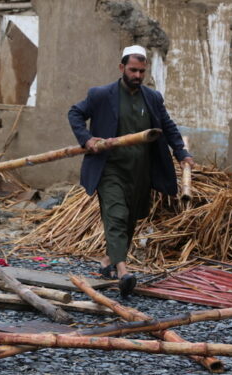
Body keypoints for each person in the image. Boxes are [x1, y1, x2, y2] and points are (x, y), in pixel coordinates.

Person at [67, 45, 194, 298]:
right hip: (110, 168)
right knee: (116, 215)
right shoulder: (101, 95)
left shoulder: (152, 98)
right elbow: (75, 113)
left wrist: (182, 154)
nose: (137, 75)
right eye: (133, 70)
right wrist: (87, 139)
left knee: (130, 219)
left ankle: (107, 263)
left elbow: (167, 127)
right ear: (121, 67)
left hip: (140, 172)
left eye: (141, 71)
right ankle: (124, 272)